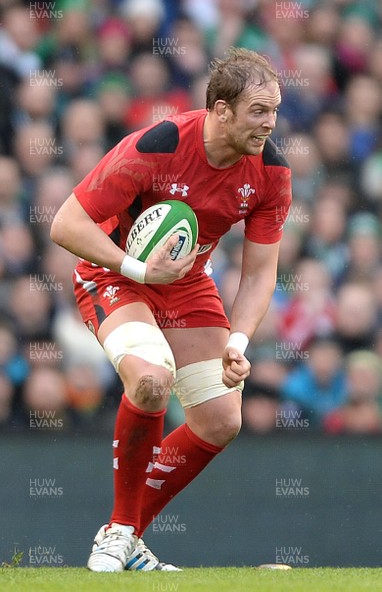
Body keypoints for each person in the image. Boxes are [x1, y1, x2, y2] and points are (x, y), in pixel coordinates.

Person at [51, 47, 291, 572]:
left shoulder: (271, 170)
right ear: (221, 111)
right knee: (152, 381)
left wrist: (240, 340)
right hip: (116, 273)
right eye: (258, 111)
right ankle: (119, 533)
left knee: (222, 418)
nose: (269, 124)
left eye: (274, 111)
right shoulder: (157, 145)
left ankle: (126, 535)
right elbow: (65, 224)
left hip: (185, 283)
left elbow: (258, 273)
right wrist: (137, 270)